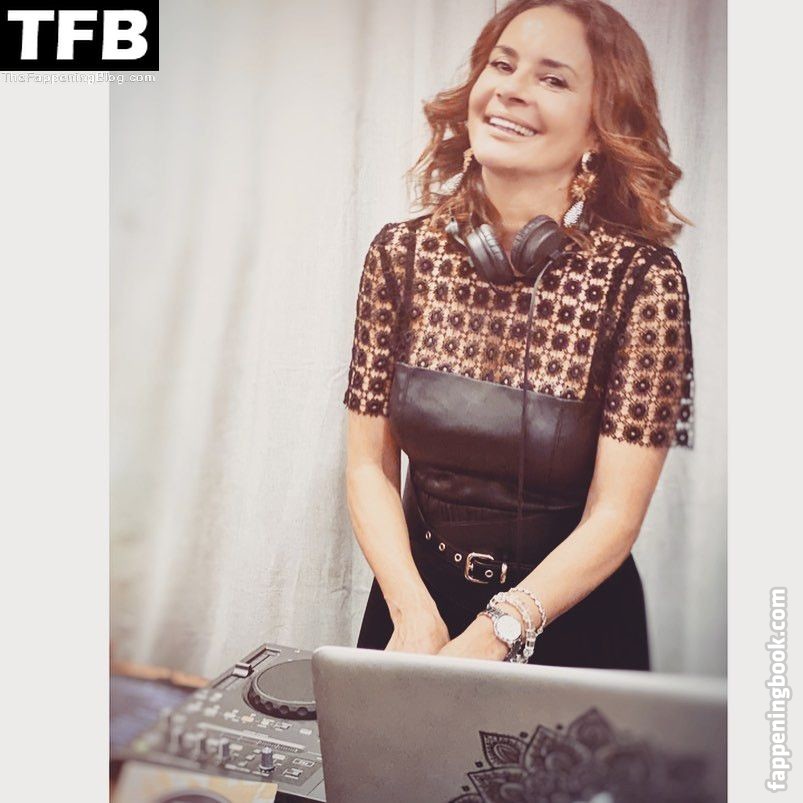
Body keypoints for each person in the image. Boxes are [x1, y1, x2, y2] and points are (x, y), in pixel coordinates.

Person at [342, 0, 693, 670]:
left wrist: (494, 632)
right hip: (417, 602)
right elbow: (367, 466)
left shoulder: (643, 281)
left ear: (598, 129)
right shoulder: (399, 255)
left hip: (569, 616)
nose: (512, 89)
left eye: (552, 78)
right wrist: (411, 612)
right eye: (501, 66)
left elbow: (614, 515)